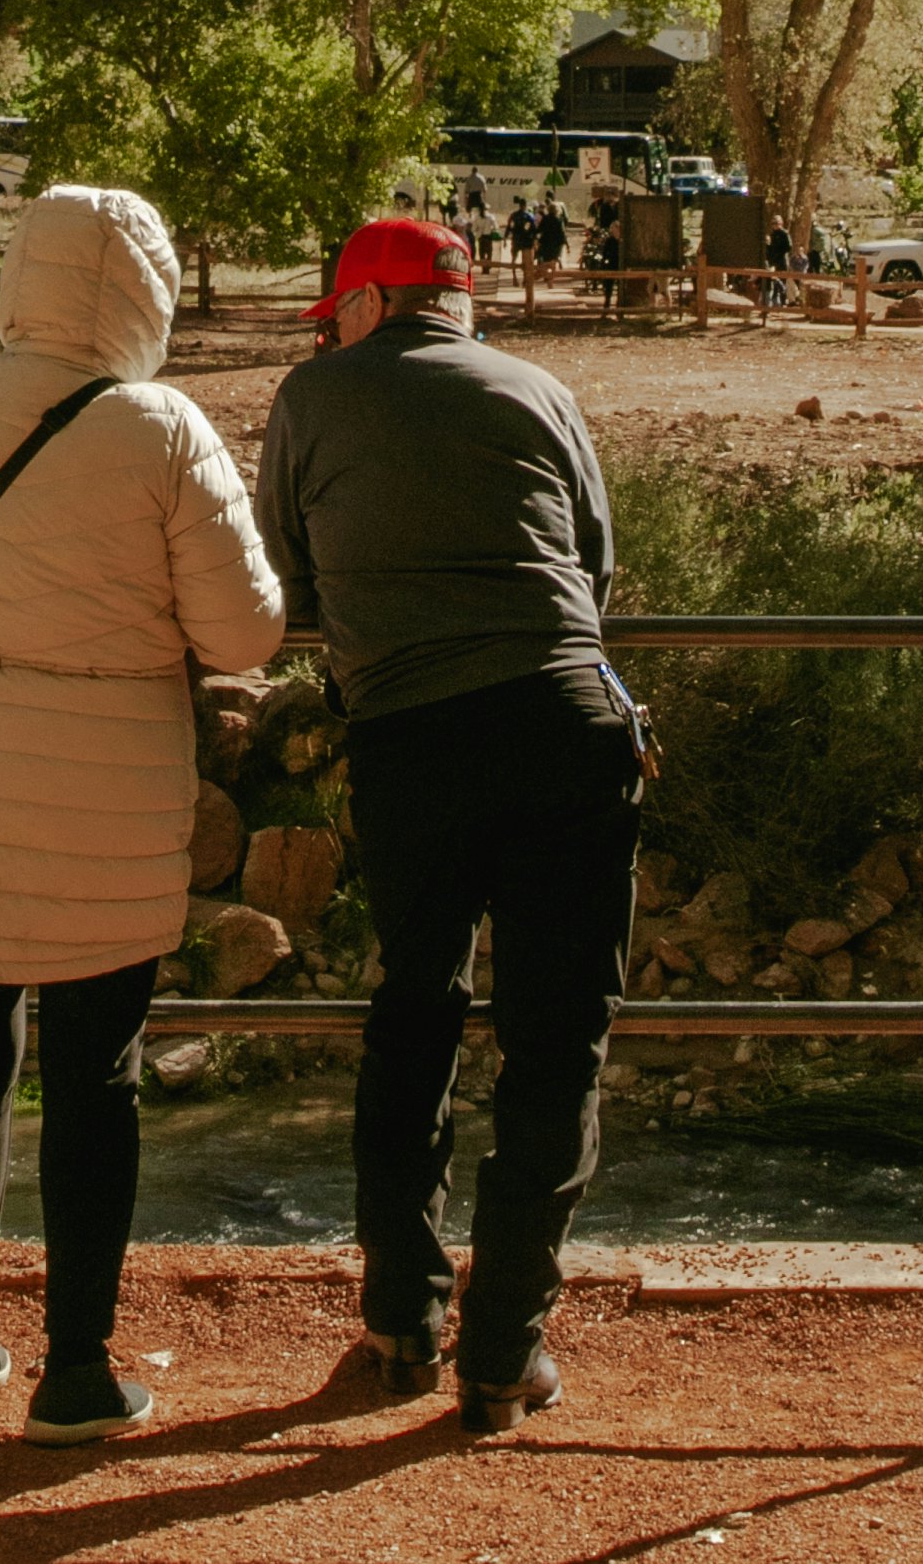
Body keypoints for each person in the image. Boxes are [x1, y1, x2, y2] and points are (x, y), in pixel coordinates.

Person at [0, 184, 283, 1440]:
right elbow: (243, 627)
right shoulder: (162, 425)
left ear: (17, 274)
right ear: (150, 290)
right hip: (103, 793)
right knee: (96, 1074)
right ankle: (77, 1367)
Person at [256, 215, 640, 1437]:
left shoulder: (311, 395)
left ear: (364, 304)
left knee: (414, 1005)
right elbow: (593, 566)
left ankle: (401, 1316)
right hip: (567, 723)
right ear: (460, 305)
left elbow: (288, 581)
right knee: (557, 1038)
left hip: (411, 737)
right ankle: (504, 1345)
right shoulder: (541, 388)